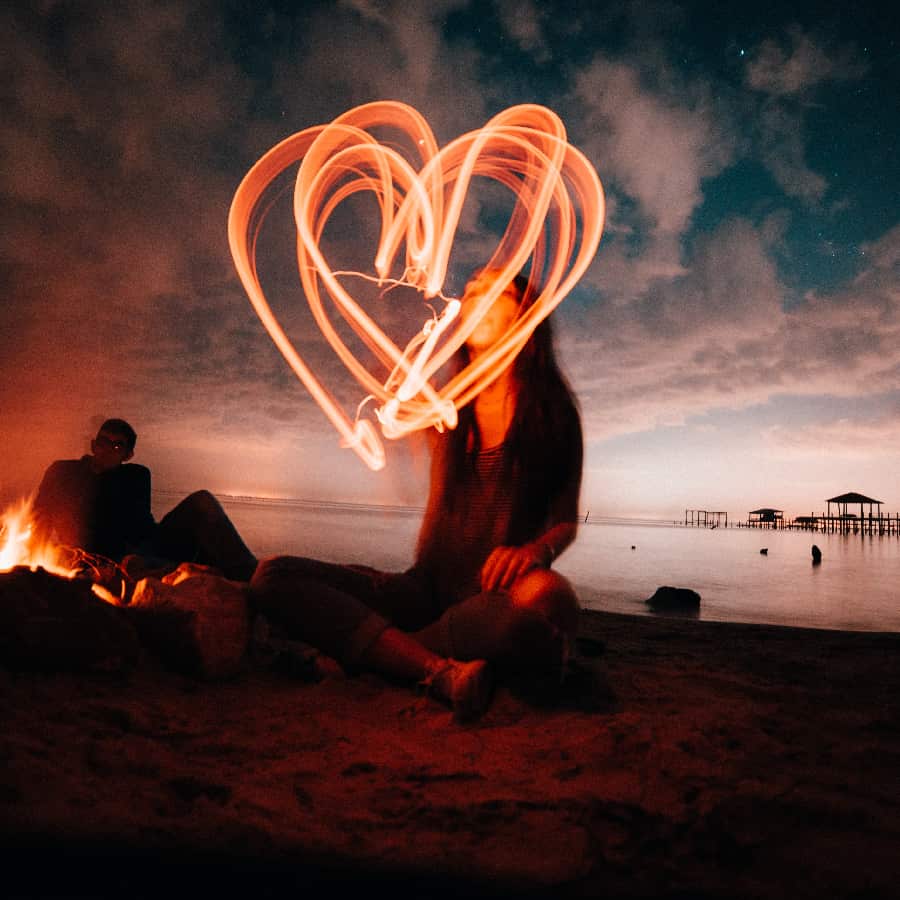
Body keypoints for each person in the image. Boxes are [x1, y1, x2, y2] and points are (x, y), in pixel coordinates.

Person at [249, 269, 583, 721]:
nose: (474, 296)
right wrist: (383, 379)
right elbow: (391, 408)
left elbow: (565, 520)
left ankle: (384, 651)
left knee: (550, 597)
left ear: (525, 315)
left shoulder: (553, 415)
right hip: (423, 590)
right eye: (470, 291)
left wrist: (535, 551)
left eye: (495, 290)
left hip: (494, 597)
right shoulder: (443, 407)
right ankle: (426, 662)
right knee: (273, 576)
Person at [32, 418, 258, 582]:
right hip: (106, 558)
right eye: (103, 441)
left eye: (118, 445)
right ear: (93, 445)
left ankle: (253, 577)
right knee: (139, 565)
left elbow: (136, 524)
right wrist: (33, 558)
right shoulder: (63, 471)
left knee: (202, 502)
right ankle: (219, 576)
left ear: (127, 455)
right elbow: (39, 515)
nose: (108, 449)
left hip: (147, 546)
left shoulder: (136, 475)